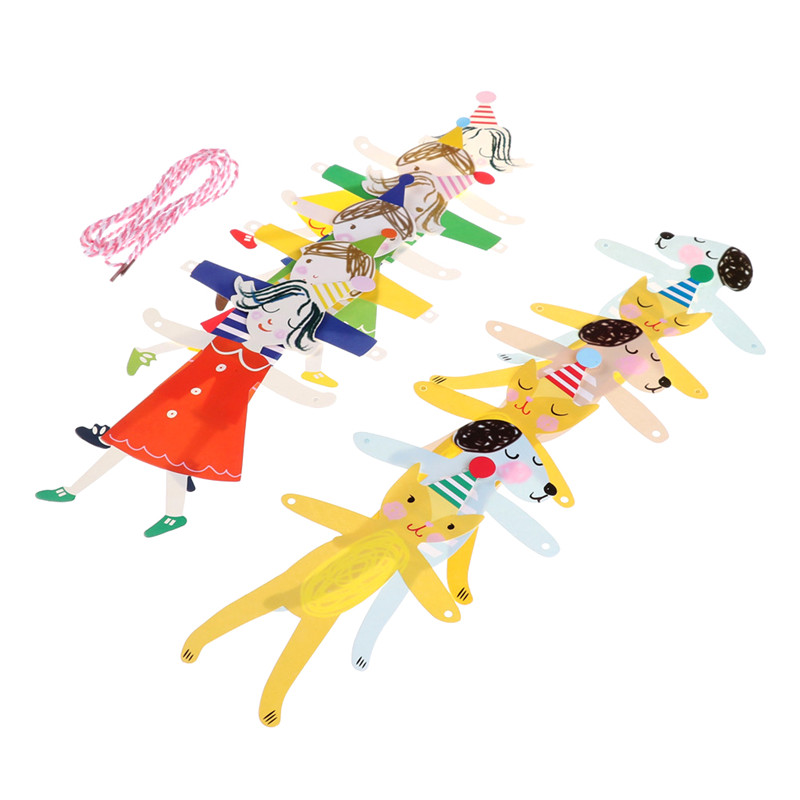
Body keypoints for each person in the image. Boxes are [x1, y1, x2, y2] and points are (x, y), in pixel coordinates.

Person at [36, 278, 334, 538]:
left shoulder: (260, 363)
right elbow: (187, 336)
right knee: (123, 443)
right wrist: (159, 324)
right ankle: (73, 490)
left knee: (175, 463)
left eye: (287, 324)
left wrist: (312, 397)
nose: (270, 322)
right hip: (170, 401)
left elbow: (282, 384)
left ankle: (173, 515)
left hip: (205, 418)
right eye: (268, 310)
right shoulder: (219, 341)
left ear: (295, 336)